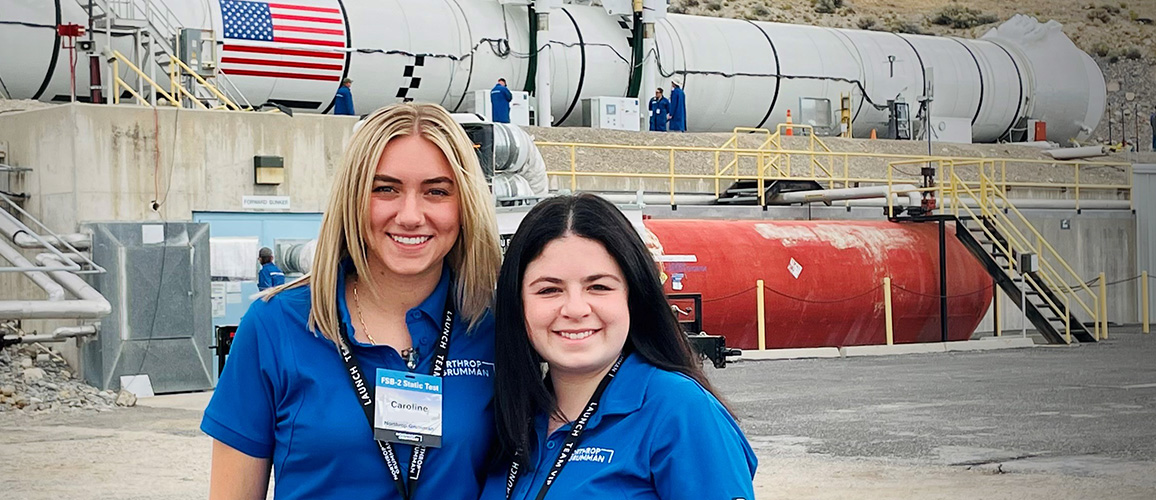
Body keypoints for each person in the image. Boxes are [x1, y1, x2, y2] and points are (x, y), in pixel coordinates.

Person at [204, 102, 503, 500]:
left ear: (465, 204)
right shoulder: (276, 325)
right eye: (385, 189)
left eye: (436, 191)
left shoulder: (495, 327)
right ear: (353, 198)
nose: (410, 215)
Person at [481, 194, 756, 500]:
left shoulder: (680, 411)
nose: (575, 309)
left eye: (598, 287)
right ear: (517, 304)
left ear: (633, 296)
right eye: (549, 290)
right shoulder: (513, 419)